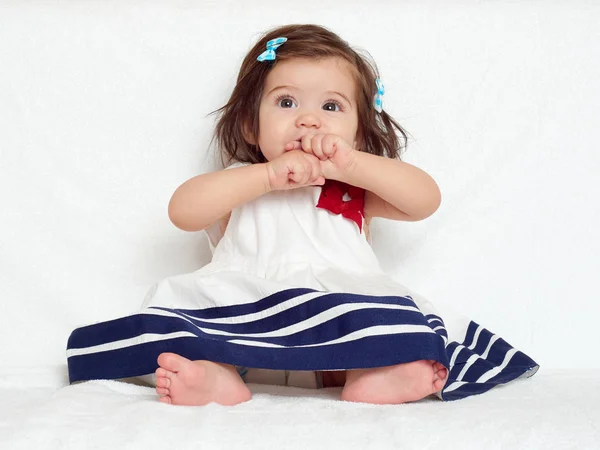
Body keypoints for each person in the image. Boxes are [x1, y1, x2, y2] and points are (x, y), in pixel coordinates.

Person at [66, 24, 538, 406]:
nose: (309, 120)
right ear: (251, 124)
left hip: (337, 331)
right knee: (174, 334)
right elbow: (183, 211)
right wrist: (267, 177)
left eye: (331, 106)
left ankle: (376, 377)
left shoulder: (353, 188)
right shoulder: (242, 182)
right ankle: (215, 379)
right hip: (247, 325)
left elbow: (424, 200)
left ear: (357, 130)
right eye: (287, 102)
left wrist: (351, 164)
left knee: (395, 325)